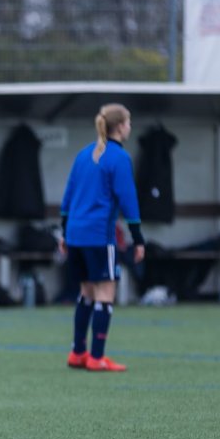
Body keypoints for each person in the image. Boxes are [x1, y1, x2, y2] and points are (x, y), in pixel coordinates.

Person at [58, 104, 146, 372]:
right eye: (128, 122)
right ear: (119, 126)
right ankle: (97, 357)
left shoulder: (84, 155)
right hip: (99, 236)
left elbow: (68, 197)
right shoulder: (118, 158)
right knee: (105, 293)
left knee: (86, 292)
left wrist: (63, 232)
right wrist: (138, 238)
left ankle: (77, 353)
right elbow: (128, 200)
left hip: (75, 234)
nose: (130, 126)